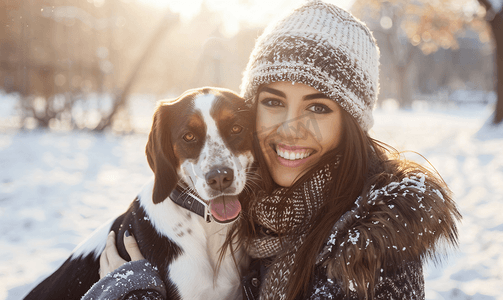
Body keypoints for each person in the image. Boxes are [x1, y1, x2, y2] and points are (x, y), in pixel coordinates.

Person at [84, 1, 461, 299]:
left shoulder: (371, 255)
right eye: (274, 102)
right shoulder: (256, 213)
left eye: (318, 107)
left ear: (352, 125)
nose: (290, 128)